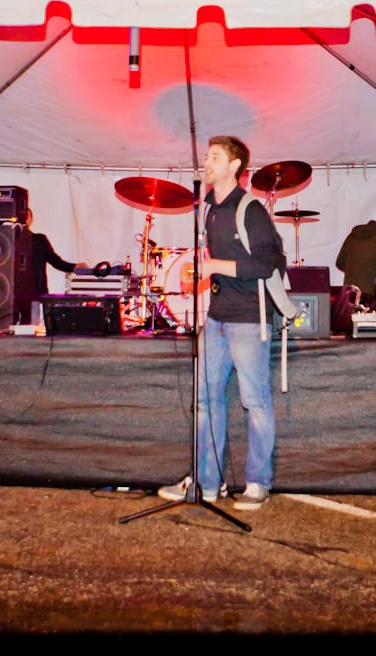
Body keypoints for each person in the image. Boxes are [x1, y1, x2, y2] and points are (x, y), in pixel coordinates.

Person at [158, 134, 284, 511]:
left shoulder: (252, 210)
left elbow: (268, 264)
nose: (207, 162)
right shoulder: (207, 208)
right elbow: (214, 262)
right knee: (206, 402)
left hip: (248, 319)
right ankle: (205, 484)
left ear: (235, 166)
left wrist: (213, 266)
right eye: (207, 156)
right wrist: (198, 272)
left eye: (215, 157)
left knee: (254, 401)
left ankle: (258, 483)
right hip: (215, 318)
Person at [336, 214, 376, 309]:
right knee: (370, 322)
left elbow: (340, 262)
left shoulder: (353, 235)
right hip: (371, 293)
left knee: (351, 322)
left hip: (350, 293)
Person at [24, 207, 84, 297]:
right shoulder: (7, 242)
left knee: (35, 310)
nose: (24, 219)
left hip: (36, 290)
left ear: (31, 220)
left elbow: (55, 260)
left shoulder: (39, 240)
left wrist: (74, 267)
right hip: (12, 291)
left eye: (26, 216)